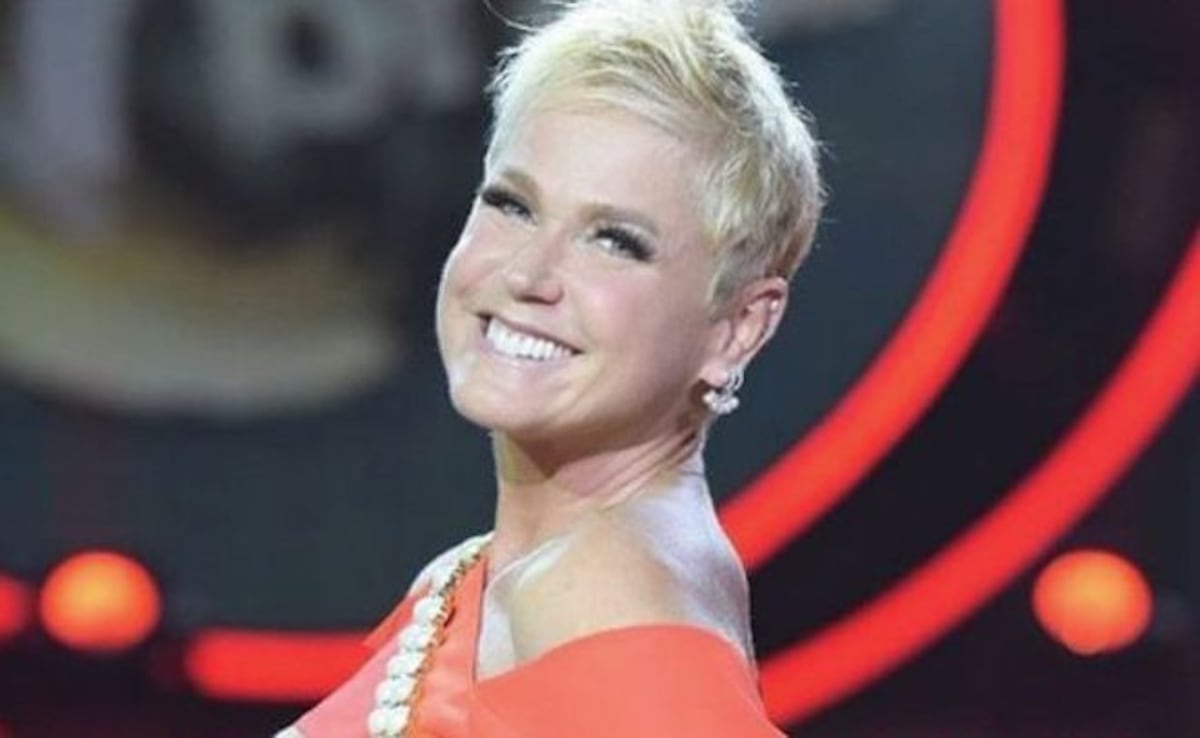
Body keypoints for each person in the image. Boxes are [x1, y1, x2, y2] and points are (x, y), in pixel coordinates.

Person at [276, 0, 822, 735]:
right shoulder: (504, 576)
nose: (528, 274)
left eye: (615, 241)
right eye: (512, 205)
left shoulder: (603, 592)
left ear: (738, 326)